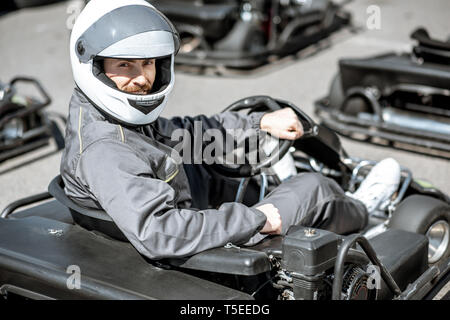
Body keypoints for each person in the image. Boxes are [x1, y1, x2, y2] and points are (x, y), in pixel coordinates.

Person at [62, 0, 400, 259]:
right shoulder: (107, 149)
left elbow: (183, 133)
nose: (142, 78)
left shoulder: (106, 118)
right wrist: (257, 219)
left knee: (224, 157)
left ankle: (271, 175)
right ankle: (362, 210)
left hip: (183, 208)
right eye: (125, 65)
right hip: (200, 256)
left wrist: (258, 124)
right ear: (95, 66)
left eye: (148, 63)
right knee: (312, 187)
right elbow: (159, 233)